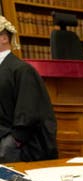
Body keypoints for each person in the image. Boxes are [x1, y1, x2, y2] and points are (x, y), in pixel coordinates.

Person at [0, 16, 58, 162]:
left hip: (12, 146)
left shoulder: (21, 69)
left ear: (4, 38)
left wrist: (14, 140)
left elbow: (28, 111)